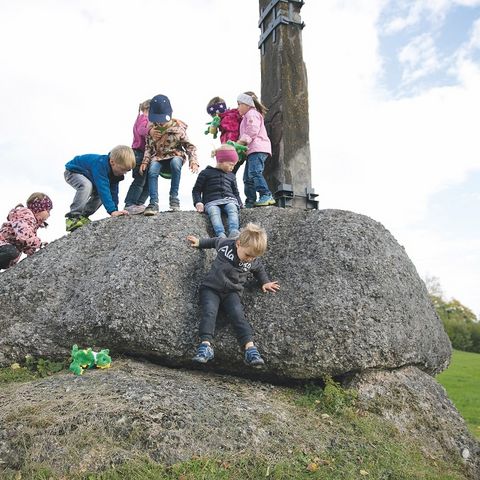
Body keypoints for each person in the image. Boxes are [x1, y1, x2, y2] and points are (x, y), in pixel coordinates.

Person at [187, 223, 280, 367]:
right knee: (209, 312)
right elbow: (215, 241)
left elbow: (259, 269)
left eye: (253, 257)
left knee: (238, 315)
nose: (250, 259)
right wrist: (199, 242)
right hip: (211, 288)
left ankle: (250, 349)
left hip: (232, 292)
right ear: (238, 244)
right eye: (248, 255)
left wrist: (265, 282)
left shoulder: (252, 260)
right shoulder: (226, 245)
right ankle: (205, 346)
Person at [140, 94, 199, 215]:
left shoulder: (177, 128)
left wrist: (193, 161)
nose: (160, 123)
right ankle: (153, 203)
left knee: (176, 163)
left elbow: (189, 146)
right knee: (152, 170)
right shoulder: (152, 129)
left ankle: (174, 198)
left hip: (175, 154)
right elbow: (148, 147)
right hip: (158, 156)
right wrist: (145, 161)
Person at [64, 145, 135, 232]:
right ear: (112, 162)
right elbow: (103, 188)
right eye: (123, 169)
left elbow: (113, 193)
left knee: (100, 195)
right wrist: (112, 211)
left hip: (90, 177)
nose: (124, 173)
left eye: (127, 171)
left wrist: (116, 211)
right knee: (87, 186)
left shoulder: (116, 174)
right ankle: (73, 217)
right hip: (73, 172)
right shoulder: (101, 164)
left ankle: (83, 216)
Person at [192, 144, 242, 239]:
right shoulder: (205, 173)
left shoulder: (231, 176)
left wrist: (239, 203)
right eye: (231, 165)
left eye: (234, 165)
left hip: (229, 200)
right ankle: (220, 234)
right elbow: (196, 190)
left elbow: (236, 193)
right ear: (221, 161)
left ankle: (234, 231)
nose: (233, 168)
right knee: (214, 212)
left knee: (232, 209)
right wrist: (198, 202)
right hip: (212, 202)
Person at [237, 91, 275, 207]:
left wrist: (242, 141)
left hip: (258, 148)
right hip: (252, 150)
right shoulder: (246, 117)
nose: (237, 107)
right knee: (247, 178)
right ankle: (250, 201)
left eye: (239, 104)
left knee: (254, 172)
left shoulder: (252, 113)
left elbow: (252, 129)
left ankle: (266, 194)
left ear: (247, 104)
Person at [0, 192, 52, 269]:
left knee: (12, 253)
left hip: (7, 249)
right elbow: (24, 236)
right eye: (47, 210)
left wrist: (31, 250)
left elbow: (24, 243)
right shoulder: (25, 216)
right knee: (11, 252)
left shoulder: (33, 224)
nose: (49, 214)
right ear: (39, 209)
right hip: (3, 245)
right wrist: (39, 243)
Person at [124, 99, 151, 215]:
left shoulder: (147, 119)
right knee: (140, 179)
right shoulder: (143, 118)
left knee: (149, 181)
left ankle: (139, 203)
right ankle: (130, 203)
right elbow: (141, 130)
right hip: (139, 152)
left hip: (146, 154)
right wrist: (152, 130)